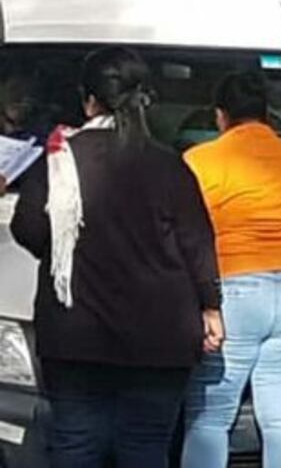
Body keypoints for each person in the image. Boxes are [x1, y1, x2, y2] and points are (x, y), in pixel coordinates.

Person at [10, 46, 223, 468]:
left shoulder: (57, 162)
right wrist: (211, 305)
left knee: (75, 445)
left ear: (88, 100)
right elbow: (196, 242)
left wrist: (64, 251)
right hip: (160, 335)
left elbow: (28, 227)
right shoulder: (169, 165)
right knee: (145, 447)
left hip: (74, 332)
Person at [181, 71, 281, 468]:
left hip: (234, 290)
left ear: (220, 117)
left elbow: (186, 237)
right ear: (267, 116)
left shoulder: (199, 162)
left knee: (211, 419)